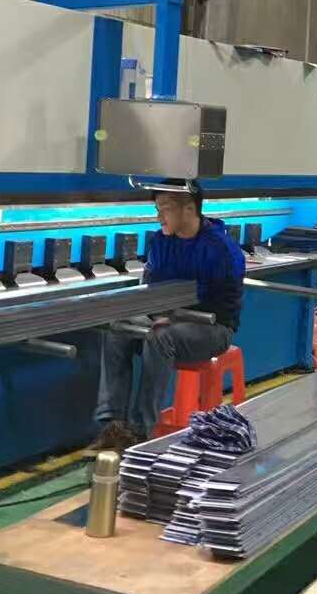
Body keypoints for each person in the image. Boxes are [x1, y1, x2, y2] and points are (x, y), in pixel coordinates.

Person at [91, 181, 246, 451]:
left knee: (160, 336)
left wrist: (174, 316)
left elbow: (224, 308)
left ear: (189, 209)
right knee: (117, 328)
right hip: (165, 319)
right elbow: (152, 289)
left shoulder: (220, 249)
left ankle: (141, 432)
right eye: (157, 209)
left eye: (165, 209)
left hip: (213, 328)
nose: (159, 216)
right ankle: (113, 426)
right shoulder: (161, 242)